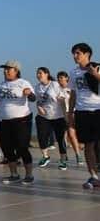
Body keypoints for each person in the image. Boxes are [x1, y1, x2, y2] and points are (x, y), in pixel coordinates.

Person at [0, 60, 36, 185]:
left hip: (22, 119)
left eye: (8, 69)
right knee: (6, 148)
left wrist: (29, 94)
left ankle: (29, 175)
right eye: (4, 69)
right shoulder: (1, 85)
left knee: (22, 147)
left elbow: (33, 99)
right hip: (5, 121)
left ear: (16, 71)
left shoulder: (23, 83)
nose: (5, 71)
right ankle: (14, 174)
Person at [66, 43, 100, 189]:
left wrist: (96, 75)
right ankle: (93, 176)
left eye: (78, 53)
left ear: (87, 54)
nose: (75, 56)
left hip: (98, 109)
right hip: (82, 111)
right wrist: (70, 112)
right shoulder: (73, 73)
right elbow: (73, 93)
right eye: (73, 53)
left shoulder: (97, 67)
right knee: (88, 144)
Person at [34, 67, 68, 170]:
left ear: (47, 74)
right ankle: (45, 156)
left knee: (60, 139)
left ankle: (63, 160)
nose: (38, 75)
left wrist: (66, 115)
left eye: (40, 73)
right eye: (37, 73)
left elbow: (62, 100)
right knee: (41, 136)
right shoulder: (37, 87)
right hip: (44, 116)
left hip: (57, 116)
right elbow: (38, 101)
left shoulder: (55, 84)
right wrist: (39, 108)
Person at [57, 71, 83, 166]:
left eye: (61, 78)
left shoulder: (72, 88)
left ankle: (78, 155)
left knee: (72, 135)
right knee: (62, 137)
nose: (60, 80)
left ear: (67, 78)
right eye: (58, 78)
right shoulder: (57, 90)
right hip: (60, 115)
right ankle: (64, 157)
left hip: (72, 113)